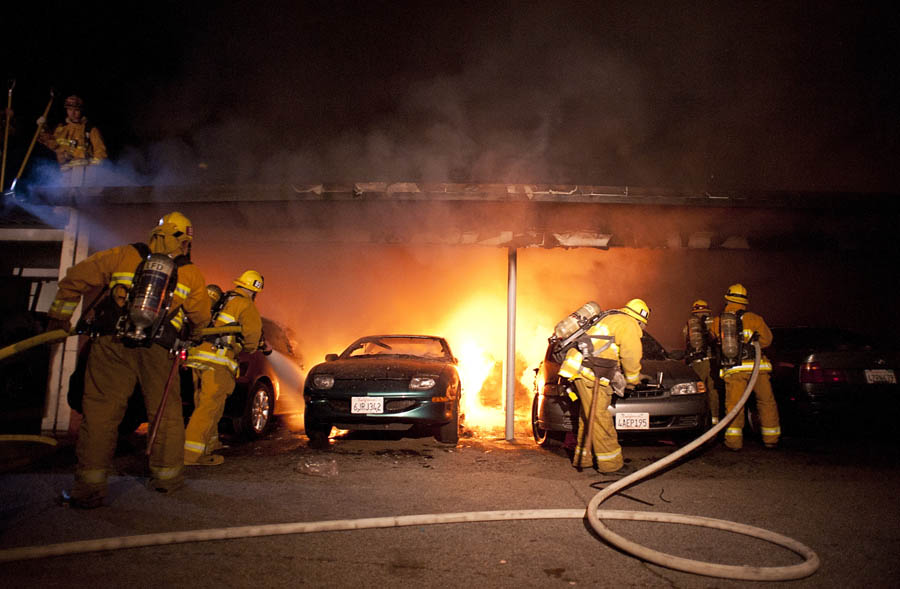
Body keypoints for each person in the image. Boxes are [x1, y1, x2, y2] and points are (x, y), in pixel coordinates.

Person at [46, 212, 210, 508]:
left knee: (100, 414)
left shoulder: (123, 255)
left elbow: (75, 278)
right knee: (166, 413)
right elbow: (201, 317)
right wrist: (195, 334)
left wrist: (59, 318)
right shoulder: (190, 273)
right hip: (159, 350)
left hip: (112, 342)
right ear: (185, 241)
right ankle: (166, 480)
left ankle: (89, 489)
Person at [558, 298, 650, 475]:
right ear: (641, 319)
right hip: (590, 374)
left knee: (588, 416)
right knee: (601, 418)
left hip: (579, 370)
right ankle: (612, 465)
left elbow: (607, 350)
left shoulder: (610, 317)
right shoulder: (628, 324)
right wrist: (632, 381)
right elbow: (631, 356)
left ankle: (583, 459)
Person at [183, 271, 264, 466]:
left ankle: (210, 445)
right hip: (217, 362)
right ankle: (191, 456)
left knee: (203, 405)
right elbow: (252, 338)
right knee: (208, 409)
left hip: (197, 358)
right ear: (255, 291)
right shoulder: (245, 305)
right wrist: (248, 347)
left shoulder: (222, 299)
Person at [710, 283, 780, 450]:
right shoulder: (755, 319)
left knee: (734, 405)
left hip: (735, 369)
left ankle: (733, 443)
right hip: (758, 369)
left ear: (727, 299)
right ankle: (771, 439)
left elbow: (713, 338)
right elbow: (767, 340)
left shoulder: (719, 320)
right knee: (766, 402)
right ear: (745, 301)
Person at [38, 95, 107, 185]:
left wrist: (93, 170)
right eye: (69, 110)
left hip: (82, 171)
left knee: (77, 197)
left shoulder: (90, 130)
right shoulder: (61, 128)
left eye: (76, 110)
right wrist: (42, 128)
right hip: (62, 170)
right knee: (60, 197)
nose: (72, 113)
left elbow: (101, 153)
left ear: (81, 111)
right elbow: (50, 144)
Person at [682, 299, 721, 425]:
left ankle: (699, 420)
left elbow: (686, 340)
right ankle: (714, 419)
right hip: (712, 362)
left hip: (697, 362)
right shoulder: (715, 322)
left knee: (698, 391)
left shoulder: (689, 325)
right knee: (713, 391)